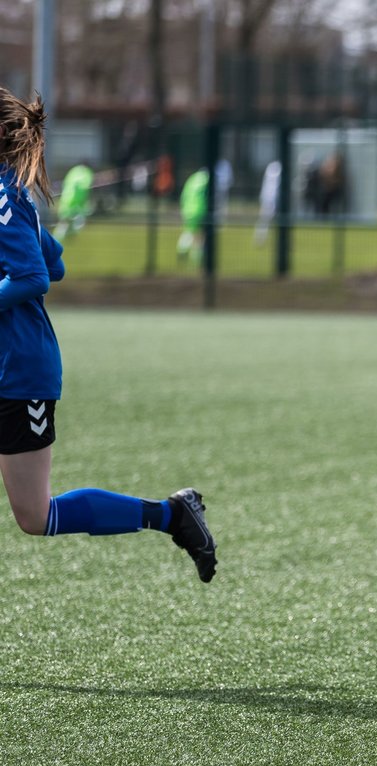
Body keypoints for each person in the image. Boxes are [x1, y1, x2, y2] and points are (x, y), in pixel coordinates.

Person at [0, 87, 218, 581]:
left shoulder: (5, 199)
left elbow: (35, 276)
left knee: (35, 516)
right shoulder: (10, 198)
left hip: (19, 372)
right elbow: (54, 262)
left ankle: (172, 516)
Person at [176, 167, 208, 263]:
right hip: (200, 209)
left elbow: (183, 195)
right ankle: (197, 256)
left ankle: (182, 249)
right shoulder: (207, 179)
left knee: (189, 230)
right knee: (200, 234)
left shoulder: (192, 179)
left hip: (187, 209)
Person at [54, 162, 93, 240]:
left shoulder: (74, 171)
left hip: (68, 199)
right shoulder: (87, 173)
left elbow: (66, 183)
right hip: (73, 201)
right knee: (67, 221)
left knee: (67, 221)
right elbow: (86, 187)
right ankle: (60, 237)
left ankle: (63, 236)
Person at [255, 160, 282, 246]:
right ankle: (260, 239)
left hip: (270, 197)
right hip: (270, 198)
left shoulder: (271, 167)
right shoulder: (276, 167)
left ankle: (262, 239)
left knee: (267, 220)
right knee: (265, 220)